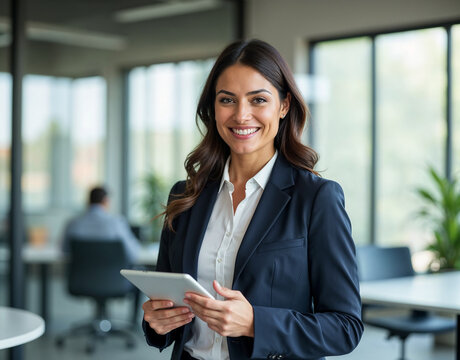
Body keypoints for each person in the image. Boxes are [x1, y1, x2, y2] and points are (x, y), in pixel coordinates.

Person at [141, 39, 363, 360]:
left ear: (284, 106)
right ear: (213, 110)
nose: (241, 115)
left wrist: (257, 323)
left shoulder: (316, 198)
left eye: (258, 99)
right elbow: (168, 308)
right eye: (227, 100)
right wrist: (158, 322)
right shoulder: (185, 195)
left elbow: (346, 327)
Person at [62, 186, 141, 263]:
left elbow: (64, 250)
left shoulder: (73, 224)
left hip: (80, 275)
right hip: (112, 275)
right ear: (106, 201)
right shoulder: (117, 223)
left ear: (89, 201)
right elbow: (133, 254)